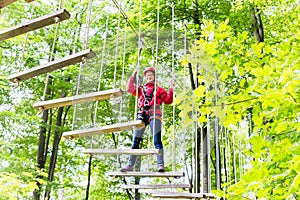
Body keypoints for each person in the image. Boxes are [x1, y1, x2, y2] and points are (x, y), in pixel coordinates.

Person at [121, 67, 174, 172]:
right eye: (147, 76)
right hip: (142, 114)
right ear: (145, 77)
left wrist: (171, 89)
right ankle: (130, 165)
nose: (149, 77)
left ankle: (160, 165)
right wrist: (133, 74)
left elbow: (168, 100)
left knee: (157, 140)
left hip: (154, 114)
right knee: (135, 141)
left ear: (154, 77)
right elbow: (130, 89)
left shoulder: (159, 89)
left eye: (151, 75)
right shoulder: (141, 89)